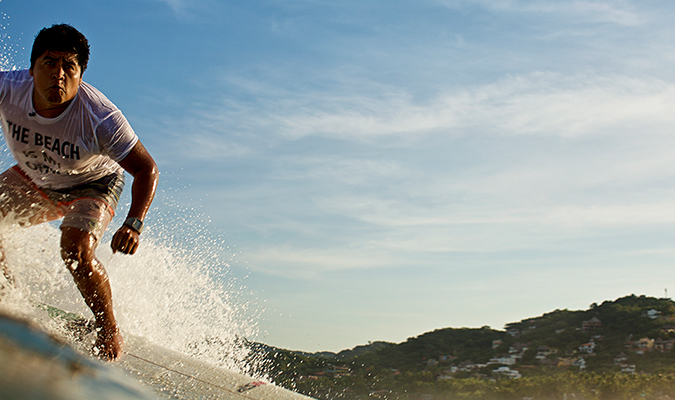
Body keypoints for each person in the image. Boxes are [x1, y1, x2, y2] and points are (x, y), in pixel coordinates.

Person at [0, 24, 158, 361]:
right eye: (49, 63)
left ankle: (108, 329)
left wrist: (134, 223)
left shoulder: (101, 117)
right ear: (31, 69)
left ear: (80, 74)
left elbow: (147, 169)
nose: (58, 74)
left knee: (75, 247)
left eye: (69, 66)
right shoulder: (7, 88)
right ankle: (7, 300)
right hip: (36, 178)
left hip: (93, 183)